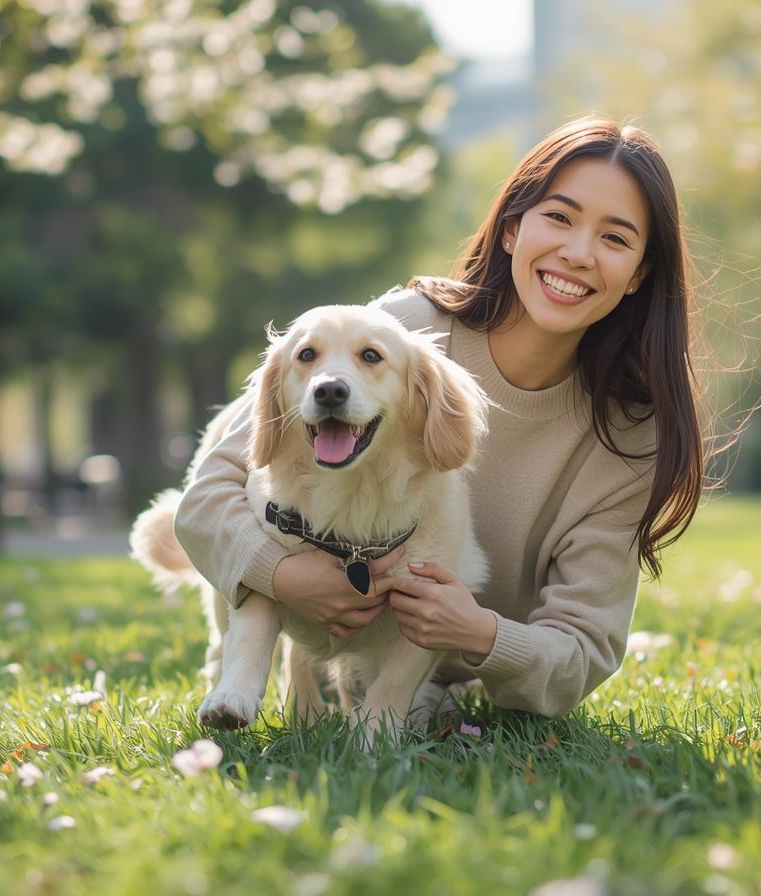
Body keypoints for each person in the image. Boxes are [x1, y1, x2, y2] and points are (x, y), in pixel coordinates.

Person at [174, 116, 713, 718]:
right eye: (559, 217)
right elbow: (207, 499)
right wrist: (282, 575)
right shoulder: (402, 328)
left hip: (442, 683)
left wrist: (480, 634)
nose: (578, 253)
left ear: (639, 274)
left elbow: (584, 653)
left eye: (614, 238)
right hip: (317, 625)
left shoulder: (629, 437)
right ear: (511, 230)